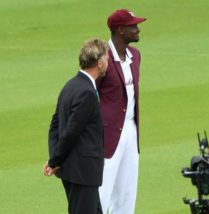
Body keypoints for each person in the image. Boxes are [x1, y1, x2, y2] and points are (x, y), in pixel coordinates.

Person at [42, 38, 109, 214]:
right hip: (83, 172)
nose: (108, 61)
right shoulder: (87, 92)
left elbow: (54, 126)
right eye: (107, 58)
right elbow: (71, 131)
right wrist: (55, 160)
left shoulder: (70, 85)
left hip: (74, 170)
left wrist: (55, 158)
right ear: (99, 63)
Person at [96, 9, 146, 214]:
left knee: (127, 192)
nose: (138, 29)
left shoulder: (135, 55)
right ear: (121, 30)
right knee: (102, 191)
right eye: (133, 26)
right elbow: (88, 93)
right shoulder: (102, 58)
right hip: (107, 135)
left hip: (131, 131)